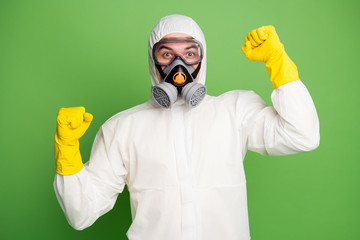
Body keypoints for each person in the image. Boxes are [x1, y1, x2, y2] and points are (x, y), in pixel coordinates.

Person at [53, 15, 320, 240]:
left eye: (189, 53)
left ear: (202, 59)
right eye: (167, 54)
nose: (178, 67)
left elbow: (302, 136)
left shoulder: (234, 110)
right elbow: (81, 214)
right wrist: (67, 152)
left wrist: (278, 62)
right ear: (152, 59)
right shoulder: (123, 128)